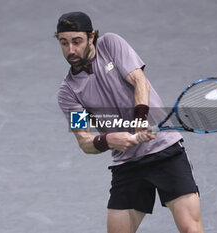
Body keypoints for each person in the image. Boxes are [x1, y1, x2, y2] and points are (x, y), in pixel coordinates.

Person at [55, 11, 204, 233]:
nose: (71, 50)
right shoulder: (69, 92)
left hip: (165, 152)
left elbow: (138, 80)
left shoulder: (111, 45)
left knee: (190, 228)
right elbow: (85, 141)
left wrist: (141, 119)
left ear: (92, 36)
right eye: (64, 43)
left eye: (77, 41)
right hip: (127, 165)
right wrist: (108, 140)